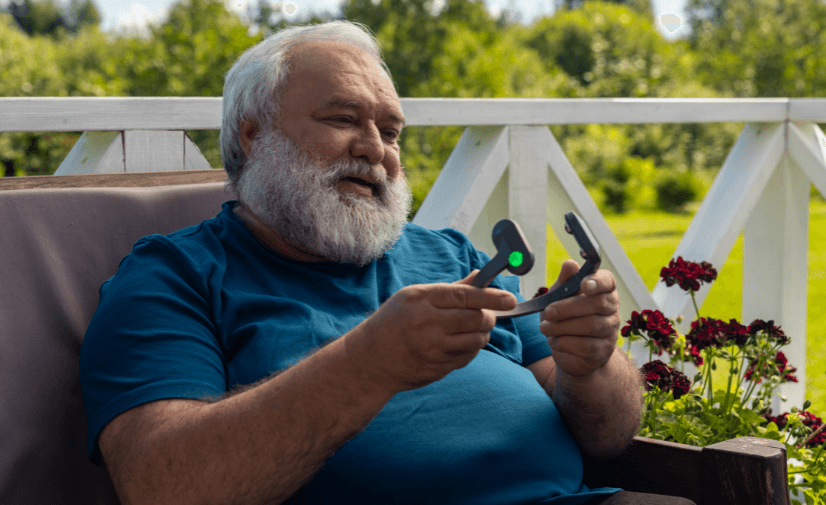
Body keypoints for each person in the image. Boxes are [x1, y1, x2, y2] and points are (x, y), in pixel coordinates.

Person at [80, 20, 686, 505]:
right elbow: (162, 485)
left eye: (391, 131)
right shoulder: (173, 278)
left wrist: (591, 366)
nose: (376, 150)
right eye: (343, 119)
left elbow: (608, 435)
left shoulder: (452, 255)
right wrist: (367, 365)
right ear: (251, 134)